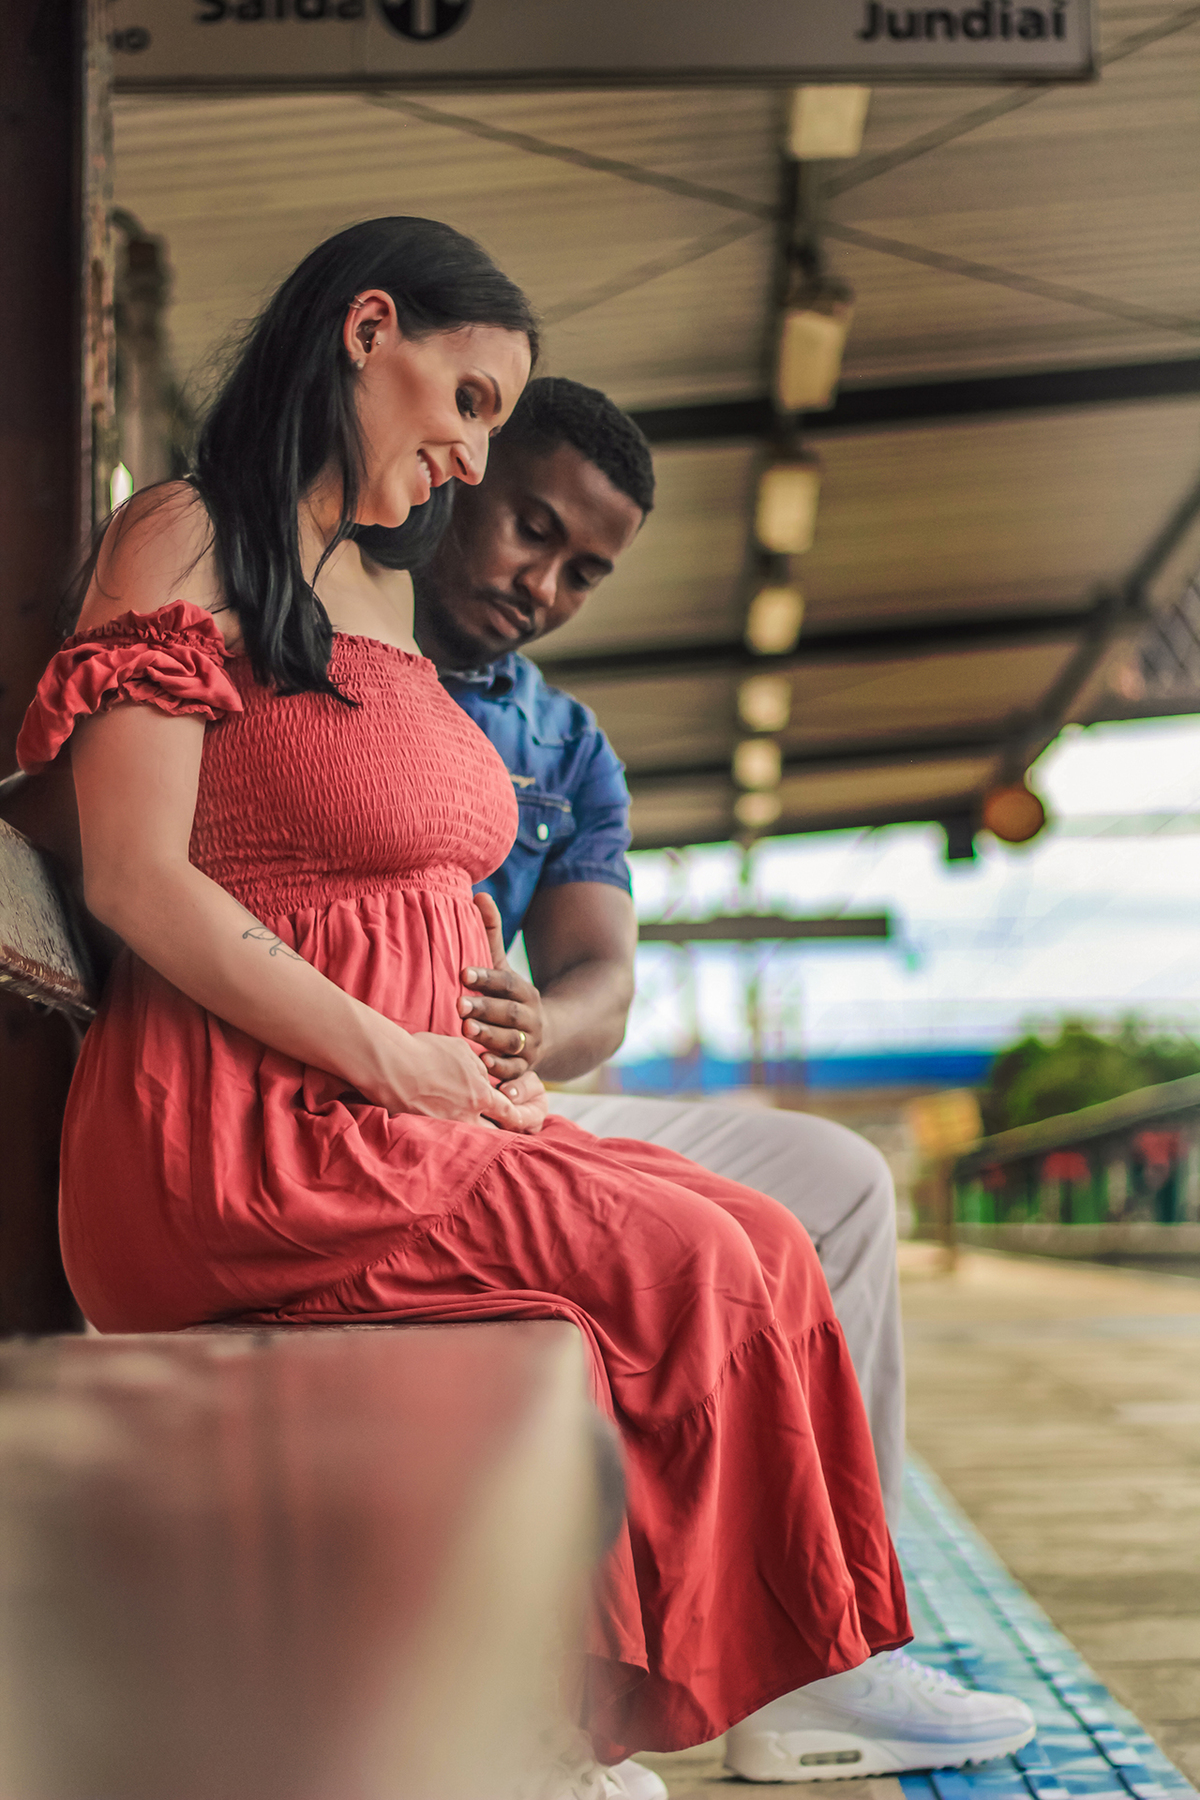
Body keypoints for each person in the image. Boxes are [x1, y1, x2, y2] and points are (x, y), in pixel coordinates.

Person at [18, 218, 1032, 1797]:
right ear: (369, 330)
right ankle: (621, 1709)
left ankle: (748, 1682)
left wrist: (464, 1033)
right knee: (703, 1255)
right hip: (252, 1132)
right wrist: (401, 1056)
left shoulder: (372, 586)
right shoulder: (183, 538)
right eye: (472, 401)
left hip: (403, 1112)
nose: (470, 451)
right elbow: (143, 882)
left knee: (762, 1236)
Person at [408, 377, 906, 1525]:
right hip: (371, 1105)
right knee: (710, 1249)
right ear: (467, 476)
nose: (545, 586)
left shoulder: (568, 748)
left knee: (842, 1184)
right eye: (535, 530)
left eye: (584, 571)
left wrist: (544, 1030)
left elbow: (605, 984)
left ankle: (854, 1611)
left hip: (508, 1098)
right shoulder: (321, 646)